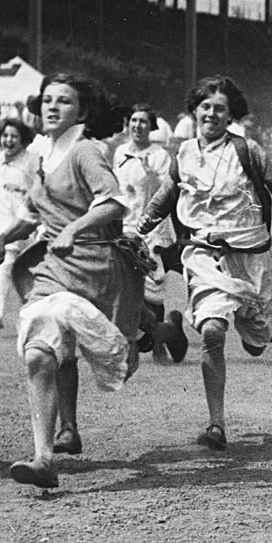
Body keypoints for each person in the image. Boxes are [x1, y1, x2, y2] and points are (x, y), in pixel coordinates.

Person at [0, 72, 145, 488]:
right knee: (39, 352)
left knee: (114, 357)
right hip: (52, 271)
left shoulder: (85, 150)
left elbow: (113, 202)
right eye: (46, 100)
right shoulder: (44, 155)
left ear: (83, 111)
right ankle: (43, 459)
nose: (51, 107)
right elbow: (32, 213)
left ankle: (147, 332)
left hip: (94, 268)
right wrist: (5, 238)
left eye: (64, 101)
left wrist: (74, 230)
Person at [138, 75, 272, 452]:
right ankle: (216, 424)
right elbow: (165, 197)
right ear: (195, 111)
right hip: (204, 254)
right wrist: (139, 228)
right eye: (205, 106)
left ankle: (261, 322)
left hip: (252, 257)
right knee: (212, 331)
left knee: (256, 342)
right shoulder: (184, 156)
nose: (212, 113)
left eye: (220, 108)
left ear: (230, 115)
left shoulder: (248, 150)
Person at [112, 104, 189, 362]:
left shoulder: (159, 155)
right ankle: (157, 333)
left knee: (151, 290)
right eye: (133, 120)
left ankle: (160, 340)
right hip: (124, 228)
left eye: (143, 122)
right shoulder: (121, 152)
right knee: (122, 287)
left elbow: (168, 192)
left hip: (152, 231)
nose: (137, 126)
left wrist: (150, 174)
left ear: (152, 126)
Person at [0, 119, 37, 329]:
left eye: (14, 136)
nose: (8, 140)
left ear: (22, 140)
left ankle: (28, 313)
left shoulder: (31, 160)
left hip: (25, 220)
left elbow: (39, 187)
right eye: (5, 135)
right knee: (6, 262)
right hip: (2, 220)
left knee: (22, 269)